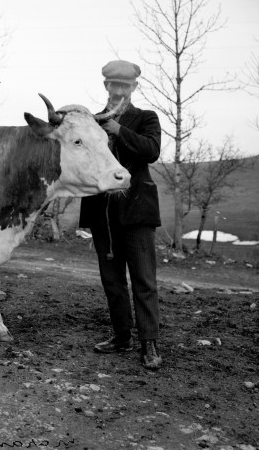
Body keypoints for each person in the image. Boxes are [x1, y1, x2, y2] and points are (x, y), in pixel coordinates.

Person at [79, 60, 163, 370]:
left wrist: (119, 130)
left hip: (137, 212)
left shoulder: (146, 118)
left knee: (144, 280)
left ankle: (149, 344)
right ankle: (121, 337)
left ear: (134, 88)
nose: (118, 91)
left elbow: (151, 151)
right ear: (106, 87)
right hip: (103, 214)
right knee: (112, 281)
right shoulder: (90, 120)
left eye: (125, 87)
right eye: (114, 86)